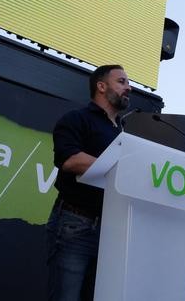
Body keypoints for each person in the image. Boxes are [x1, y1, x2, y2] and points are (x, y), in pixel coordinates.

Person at [46, 65, 132, 301]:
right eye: (122, 81)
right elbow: (70, 159)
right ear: (101, 86)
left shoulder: (124, 134)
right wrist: (121, 169)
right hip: (76, 225)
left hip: (112, 231)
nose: (129, 87)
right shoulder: (77, 119)